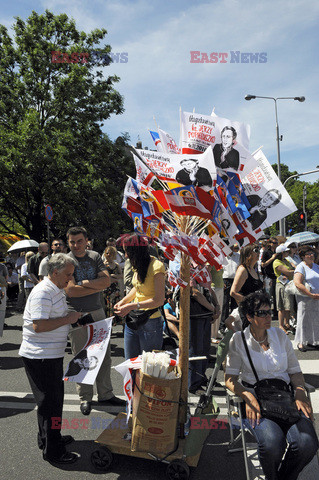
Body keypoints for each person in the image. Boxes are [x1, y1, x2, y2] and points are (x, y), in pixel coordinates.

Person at [225, 291, 318, 480]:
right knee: (271, 445)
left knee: (307, 443)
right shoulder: (239, 341)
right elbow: (229, 379)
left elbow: (295, 371)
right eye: (262, 313)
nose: (269, 317)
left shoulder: (280, 336)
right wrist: (248, 396)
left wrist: (300, 392)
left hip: (286, 398)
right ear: (249, 317)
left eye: (270, 312)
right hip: (257, 401)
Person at [18, 254, 82, 464]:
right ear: (54, 272)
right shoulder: (43, 292)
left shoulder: (55, 289)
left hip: (49, 355)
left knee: (51, 402)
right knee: (50, 404)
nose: (70, 279)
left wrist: (73, 320)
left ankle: (48, 438)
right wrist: (68, 319)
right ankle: (53, 451)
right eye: (68, 274)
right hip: (41, 357)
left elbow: (55, 319)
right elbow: (39, 326)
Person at [65, 226, 125, 416]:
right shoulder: (65, 261)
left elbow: (106, 282)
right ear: (68, 242)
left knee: (104, 355)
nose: (76, 245)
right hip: (75, 314)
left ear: (86, 240)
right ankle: (85, 398)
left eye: (79, 241)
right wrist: (94, 286)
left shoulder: (94, 256)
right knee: (82, 357)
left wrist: (84, 284)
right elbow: (71, 291)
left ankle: (106, 394)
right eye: (72, 242)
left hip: (97, 312)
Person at [114, 233, 165, 360]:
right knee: (130, 363)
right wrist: (123, 302)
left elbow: (159, 300)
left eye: (128, 252)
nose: (126, 256)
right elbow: (137, 288)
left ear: (137, 251)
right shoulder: (137, 264)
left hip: (151, 321)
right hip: (133, 319)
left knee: (147, 367)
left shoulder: (157, 266)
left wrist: (131, 306)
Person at [189, 279, 219, 393]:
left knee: (204, 348)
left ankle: (201, 378)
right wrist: (212, 309)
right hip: (195, 314)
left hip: (205, 313)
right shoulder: (189, 266)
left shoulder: (204, 268)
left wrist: (216, 305)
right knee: (195, 349)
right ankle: (193, 383)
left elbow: (209, 289)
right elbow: (195, 293)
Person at [293, 245, 319, 351]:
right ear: (303, 256)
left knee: (315, 320)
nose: (311, 255)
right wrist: (310, 294)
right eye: (308, 254)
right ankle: (300, 343)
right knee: (303, 319)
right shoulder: (301, 267)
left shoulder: (316, 266)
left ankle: (313, 340)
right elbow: (297, 283)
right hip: (305, 298)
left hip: (316, 298)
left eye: (312, 253)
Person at [230, 244, 263, 308]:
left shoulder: (253, 269)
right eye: (256, 250)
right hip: (247, 309)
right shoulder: (243, 269)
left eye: (259, 250)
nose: (259, 252)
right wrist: (250, 302)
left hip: (256, 308)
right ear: (248, 254)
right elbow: (233, 292)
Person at [273, 244, 295, 334]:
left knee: (288, 306)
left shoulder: (285, 260)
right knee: (281, 307)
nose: (288, 252)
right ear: (282, 252)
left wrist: (293, 270)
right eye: (286, 251)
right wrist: (295, 270)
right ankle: (281, 325)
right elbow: (288, 272)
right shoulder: (277, 262)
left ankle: (287, 324)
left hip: (288, 285)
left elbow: (292, 268)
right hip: (281, 286)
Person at [221, 244, 240, 331]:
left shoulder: (238, 256)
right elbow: (219, 269)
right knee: (225, 303)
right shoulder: (222, 256)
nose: (232, 249)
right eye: (230, 247)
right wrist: (222, 281)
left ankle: (233, 323)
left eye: (233, 247)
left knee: (235, 303)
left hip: (236, 280)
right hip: (226, 281)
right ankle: (223, 324)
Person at [261, 237, 279, 319]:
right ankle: (267, 311)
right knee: (268, 295)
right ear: (270, 243)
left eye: (276, 243)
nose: (276, 244)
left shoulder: (278, 252)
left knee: (276, 295)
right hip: (268, 276)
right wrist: (272, 258)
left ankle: (275, 312)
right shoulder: (266, 252)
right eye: (274, 243)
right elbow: (263, 264)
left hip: (277, 276)